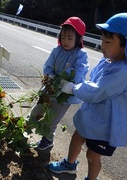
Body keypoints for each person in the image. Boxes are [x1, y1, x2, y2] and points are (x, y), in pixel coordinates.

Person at [48, 13, 127, 180]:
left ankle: (91, 179)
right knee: (77, 137)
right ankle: (69, 165)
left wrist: (72, 88)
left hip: (108, 124)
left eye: (108, 42)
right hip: (97, 116)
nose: (103, 46)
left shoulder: (124, 71)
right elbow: (93, 82)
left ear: (125, 45)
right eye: (102, 40)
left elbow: (97, 90)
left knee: (93, 156)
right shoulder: (109, 60)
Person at [28, 17, 89, 150]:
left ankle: (47, 139)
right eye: (63, 37)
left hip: (65, 96)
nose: (65, 41)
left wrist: (67, 83)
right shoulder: (57, 51)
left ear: (78, 38)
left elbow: (81, 71)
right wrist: (50, 77)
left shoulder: (81, 55)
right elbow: (48, 66)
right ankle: (26, 128)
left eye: (69, 38)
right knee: (37, 111)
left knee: (52, 119)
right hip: (49, 89)